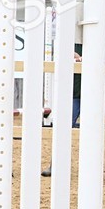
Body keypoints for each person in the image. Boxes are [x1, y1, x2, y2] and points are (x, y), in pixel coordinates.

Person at [41, 44, 82, 178]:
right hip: (72, 93)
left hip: (89, 92)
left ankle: (91, 167)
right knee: (63, 129)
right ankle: (55, 164)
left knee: (93, 133)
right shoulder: (67, 40)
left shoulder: (94, 39)